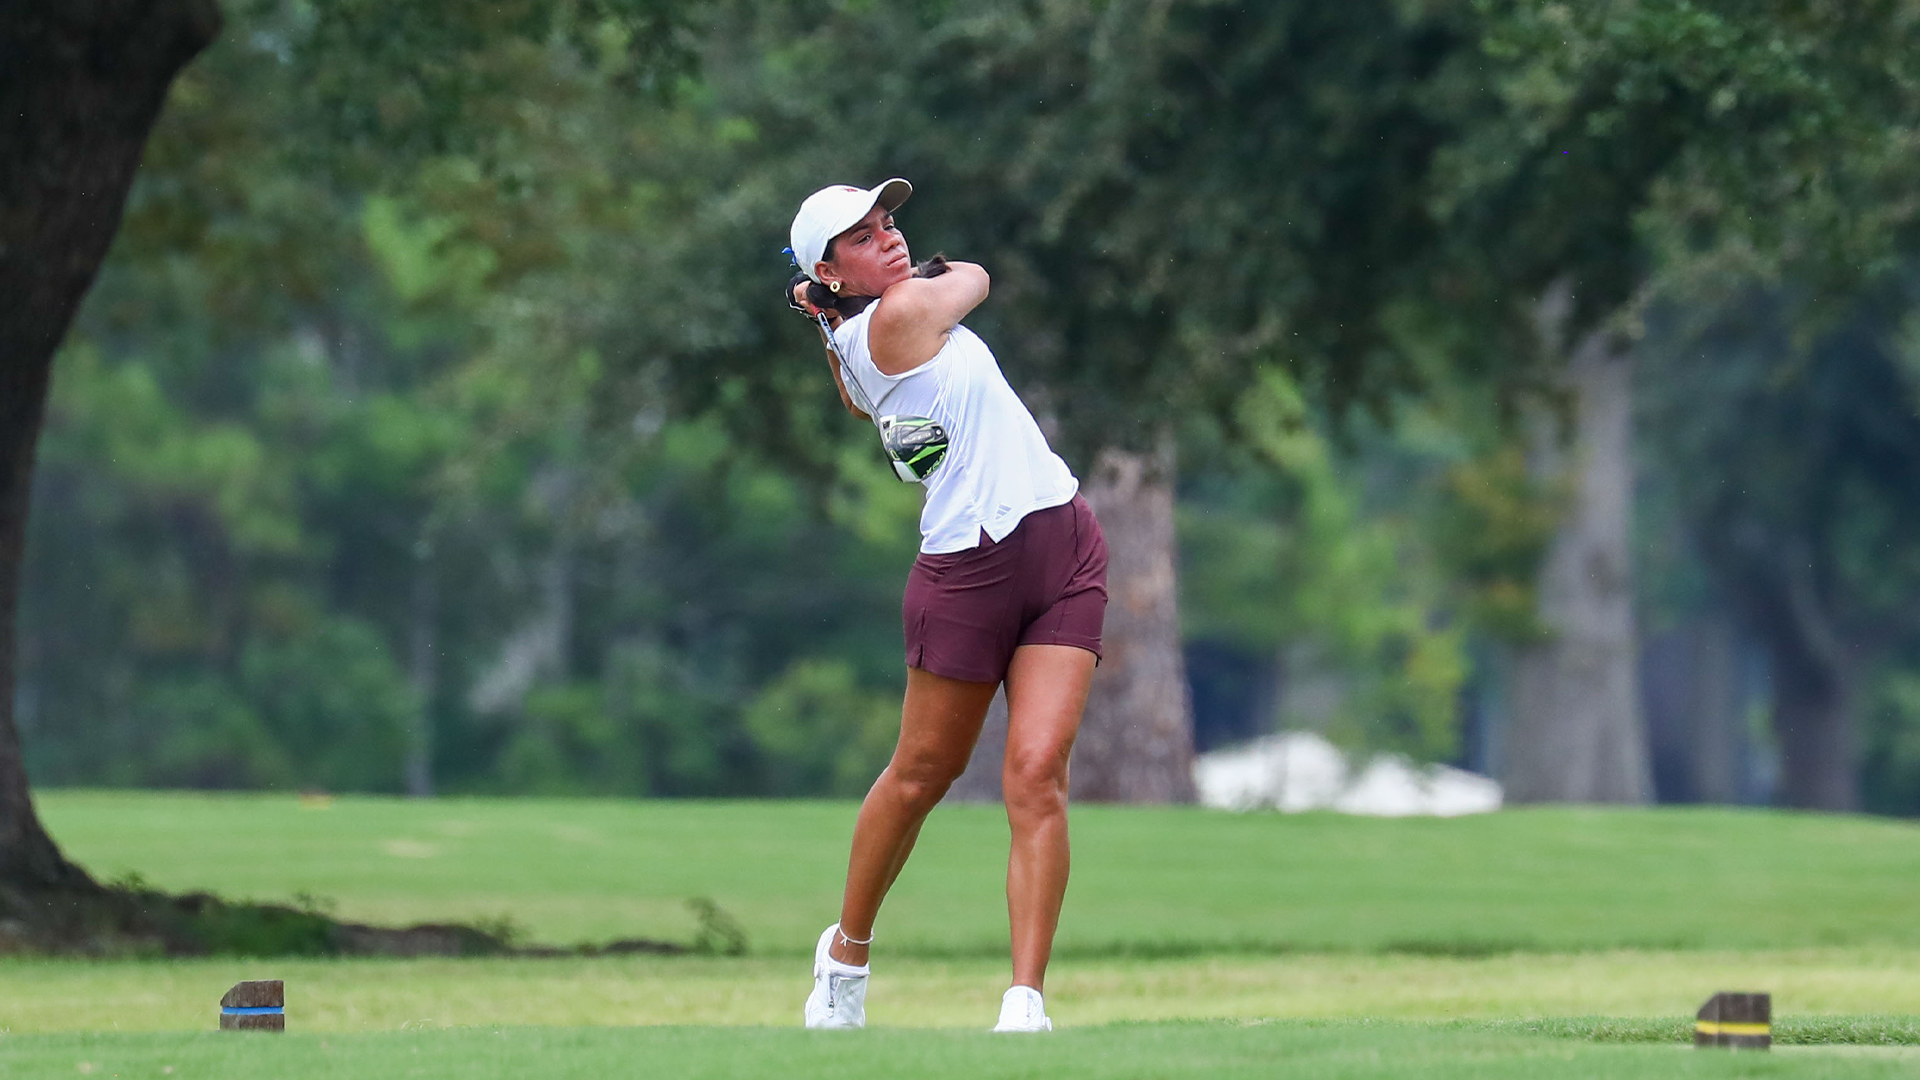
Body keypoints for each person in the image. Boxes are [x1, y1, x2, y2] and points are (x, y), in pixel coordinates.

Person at [787, 179, 1108, 1033]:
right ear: (830, 269)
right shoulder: (898, 318)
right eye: (863, 237)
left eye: (889, 224)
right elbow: (977, 274)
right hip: (966, 575)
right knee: (922, 776)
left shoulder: (855, 335)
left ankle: (1025, 1002)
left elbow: (856, 392)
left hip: (1063, 546)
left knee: (1037, 776)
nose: (890, 239)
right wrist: (888, 285)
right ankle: (845, 956)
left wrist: (826, 305)